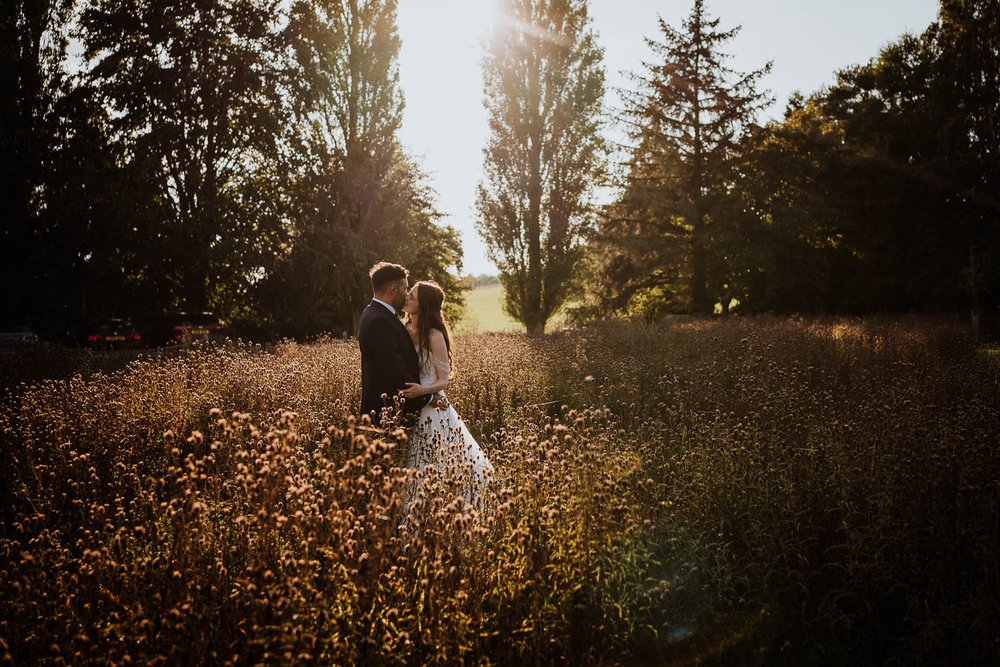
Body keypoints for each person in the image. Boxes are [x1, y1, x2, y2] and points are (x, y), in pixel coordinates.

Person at [399, 280, 493, 506]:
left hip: (433, 409)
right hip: (411, 408)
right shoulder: (403, 328)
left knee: (443, 462)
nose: (406, 298)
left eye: (412, 296)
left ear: (422, 305)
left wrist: (424, 391)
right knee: (416, 465)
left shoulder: (433, 335)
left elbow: (443, 380)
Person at [358, 262, 446, 427]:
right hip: (386, 413)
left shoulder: (374, 313)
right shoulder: (380, 321)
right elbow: (394, 370)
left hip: (394, 411)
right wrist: (430, 397)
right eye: (406, 289)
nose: (406, 295)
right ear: (393, 289)